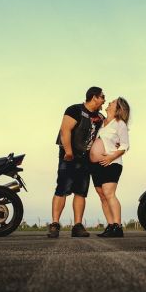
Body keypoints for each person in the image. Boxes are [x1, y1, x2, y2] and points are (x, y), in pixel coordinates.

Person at [47, 87, 106, 238]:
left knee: (81, 192)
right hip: (70, 156)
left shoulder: (100, 117)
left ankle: (77, 226)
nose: (104, 99)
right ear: (94, 97)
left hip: (86, 159)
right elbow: (65, 130)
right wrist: (68, 151)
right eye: (102, 97)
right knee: (62, 189)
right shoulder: (74, 110)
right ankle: (54, 224)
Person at [89, 97, 130, 237]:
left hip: (112, 163)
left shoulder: (120, 124)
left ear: (118, 108)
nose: (109, 103)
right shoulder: (101, 122)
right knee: (102, 195)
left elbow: (125, 145)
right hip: (96, 165)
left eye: (112, 102)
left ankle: (118, 226)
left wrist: (111, 157)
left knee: (109, 193)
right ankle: (111, 225)